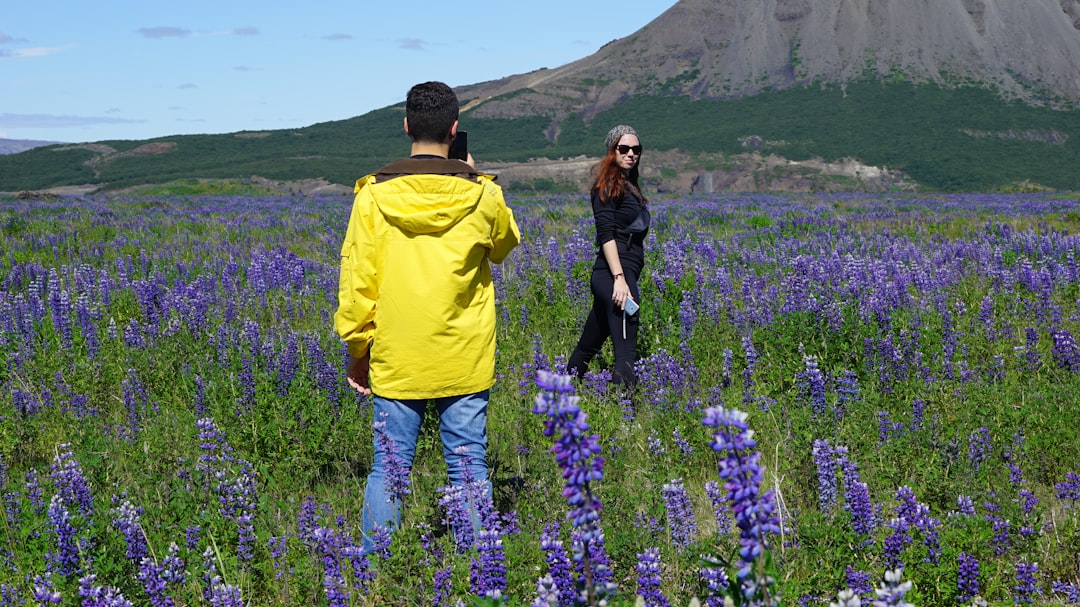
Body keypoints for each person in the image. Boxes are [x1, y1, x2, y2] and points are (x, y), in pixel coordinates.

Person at [334, 81, 521, 546]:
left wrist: (359, 349)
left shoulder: (372, 196)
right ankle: (483, 576)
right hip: (464, 355)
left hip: (398, 355)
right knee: (468, 465)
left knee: (388, 466)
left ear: (406, 127)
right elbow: (504, 246)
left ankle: (375, 572)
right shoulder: (483, 196)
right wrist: (473, 176)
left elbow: (358, 285)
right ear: (455, 129)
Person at [567, 124, 650, 389]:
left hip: (618, 274)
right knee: (626, 349)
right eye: (623, 148)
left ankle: (561, 394)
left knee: (588, 345)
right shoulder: (605, 187)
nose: (630, 154)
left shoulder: (628, 185)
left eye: (636, 149)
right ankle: (627, 419)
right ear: (611, 151)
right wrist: (620, 278)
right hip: (614, 275)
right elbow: (606, 235)